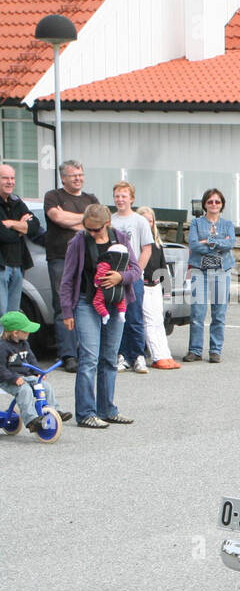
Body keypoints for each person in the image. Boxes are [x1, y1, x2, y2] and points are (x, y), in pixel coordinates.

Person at [58, 203, 140, 428]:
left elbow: (136, 270)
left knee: (109, 357)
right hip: (86, 302)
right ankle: (86, 413)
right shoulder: (79, 241)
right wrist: (67, 311)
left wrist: (119, 277)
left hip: (115, 302)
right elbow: (67, 278)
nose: (92, 233)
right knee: (89, 358)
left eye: (96, 229)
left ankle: (107, 410)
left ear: (107, 224)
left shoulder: (120, 238)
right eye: (88, 228)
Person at [44, 160, 100, 373]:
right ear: (63, 178)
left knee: (87, 303)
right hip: (61, 257)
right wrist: (87, 220)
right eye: (73, 175)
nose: (78, 178)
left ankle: (87, 351)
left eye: (80, 174)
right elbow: (58, 218)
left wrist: (75, 221)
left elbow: (100, 223)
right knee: (63, 305)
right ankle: (68, 355)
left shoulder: (91, 198)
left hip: (88, 259)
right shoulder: (53, 197)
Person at [185, 188, 236, 363]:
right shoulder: (196, 224)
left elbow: (230, 244)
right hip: (200, 271)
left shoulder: (227, 224)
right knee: (197, 312)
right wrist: (219, 243)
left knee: (219, 313)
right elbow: (194, 244)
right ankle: (195, 350)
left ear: (222, 205)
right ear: (205, 204)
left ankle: (215, 350)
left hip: (222, 272)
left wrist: (209, 241)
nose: (214, 204)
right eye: (210, 202)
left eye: (217, 202)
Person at [0, 311, 70, 432]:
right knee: (25, 390)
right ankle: (31, 421)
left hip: (26, 377)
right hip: (8, 380)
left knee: (45, 386)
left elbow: (31, 359)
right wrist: (14, 378)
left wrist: (38, 372)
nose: (29, 333)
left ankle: (55, 411)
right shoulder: (3, 347)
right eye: (26, 331)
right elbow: (1, 368)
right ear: (15, 333)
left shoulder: (24, 343)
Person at [110, 181, 153, 374]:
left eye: (124, 196)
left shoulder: (139, 221)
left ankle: (138, 355)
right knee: (119, 316)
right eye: (117, 196)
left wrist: (136, 272)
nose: (120, 199)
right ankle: (122, 355)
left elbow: (146, 249)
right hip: (116, 276)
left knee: (135, 316)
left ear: (131, 199)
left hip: (133, 276)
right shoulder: (110, 221)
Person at [136, 207, 180, 369]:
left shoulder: (156, 243)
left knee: (158, 320)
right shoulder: (138, 244)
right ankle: (156, 356)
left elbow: (163, 266)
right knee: (149, 320)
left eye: (150, 220)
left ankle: (165, 354)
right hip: (144, 284)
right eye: (144, 220)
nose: (148, 223)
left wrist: (166, 288)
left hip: (155, 286)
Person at [0, 165, 38, 314]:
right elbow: (3, 235)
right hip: (2, 266)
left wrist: (12, 224)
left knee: (13, 316)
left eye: (12, 178)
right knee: (1, 316)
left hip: (18, 266)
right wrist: (22, 229)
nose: (10, 182)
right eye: (5, 178)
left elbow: (35, 225)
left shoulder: (16, 201)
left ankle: (7, 339)